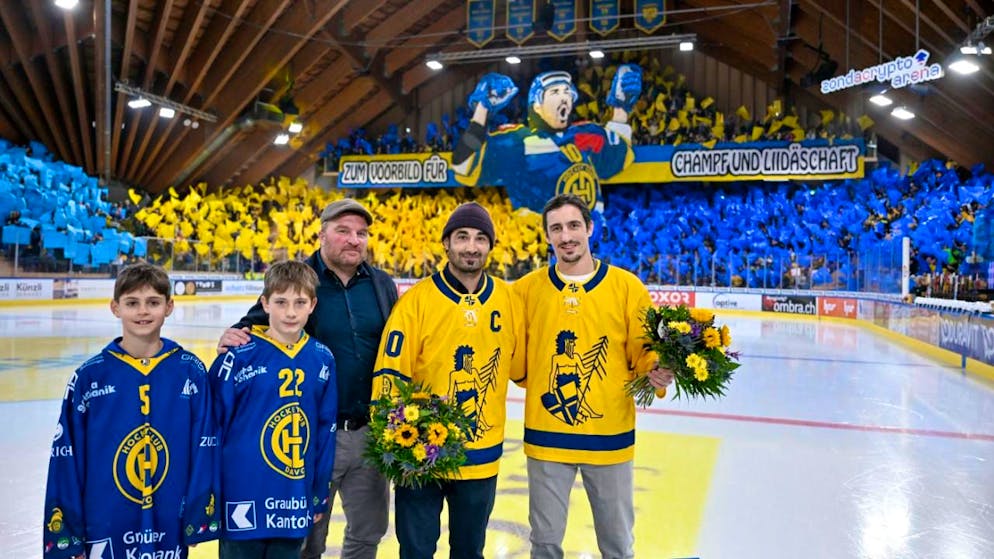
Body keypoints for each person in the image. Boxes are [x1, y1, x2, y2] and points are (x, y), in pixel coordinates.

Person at [217, 198, 397, 559]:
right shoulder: (300, 280)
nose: (353, 240)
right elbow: (258, 322)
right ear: (322, 234)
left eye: (361, 233)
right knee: (307, 539)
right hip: (312, 435)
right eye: (343, 231)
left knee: (368, 533)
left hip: (370, 433)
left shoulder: (381, 283)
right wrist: (232, 334)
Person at [512, 194, 675, 559]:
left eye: (573, 226)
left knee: (617, 545)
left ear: (589, 228)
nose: (566, 236)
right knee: (545, 542)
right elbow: (510, 351)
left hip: (609, 438)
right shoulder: (524, 290)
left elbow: (644, 350)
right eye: (556, 228)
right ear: (548, 237)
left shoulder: (627, 287)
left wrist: (657, 370)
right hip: (546, 437)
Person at [371, 202, 525, 559]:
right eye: (462, 237)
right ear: (446, 243)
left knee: (470, 551)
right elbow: (390, 373)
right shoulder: (417, 301)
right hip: (419, 454)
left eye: (479, 239)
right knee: (416, 550)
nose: (471, 246)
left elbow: (522, 368)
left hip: (481, 453)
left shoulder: (508, 298)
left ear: (490, 246)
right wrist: (394, 442)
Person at [43, 263, 219, 559]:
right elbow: (66, 457)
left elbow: (205, 445)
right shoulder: (89, 377)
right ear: (115, 308)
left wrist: (199, 514)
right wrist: (67, 533)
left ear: (169, 306)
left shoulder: (190, 371)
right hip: (105, 520)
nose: (143, 312)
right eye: (132, 303)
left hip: (169, 517)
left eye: (153, 302)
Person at [209, 260, 338, 558]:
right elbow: (212, 430)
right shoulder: (237, 357)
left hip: (292, 500)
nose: (290, 312)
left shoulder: (322, 359)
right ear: (265, 303)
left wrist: (318, 495)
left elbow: (324, 432)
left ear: (312, 305)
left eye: (299, 302)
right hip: (241, 497)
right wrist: (211, 495)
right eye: (280, 302)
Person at [451, 65, 642, 213]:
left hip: (592, 241)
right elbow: (463, 167)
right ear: (537, 106)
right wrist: (482, 110)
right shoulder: (516, 141)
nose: (564, 96)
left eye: (567, 91)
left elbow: (621, 155)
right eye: (555, 92)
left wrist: (621, 107)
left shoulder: (585, 134)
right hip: (545, 243)